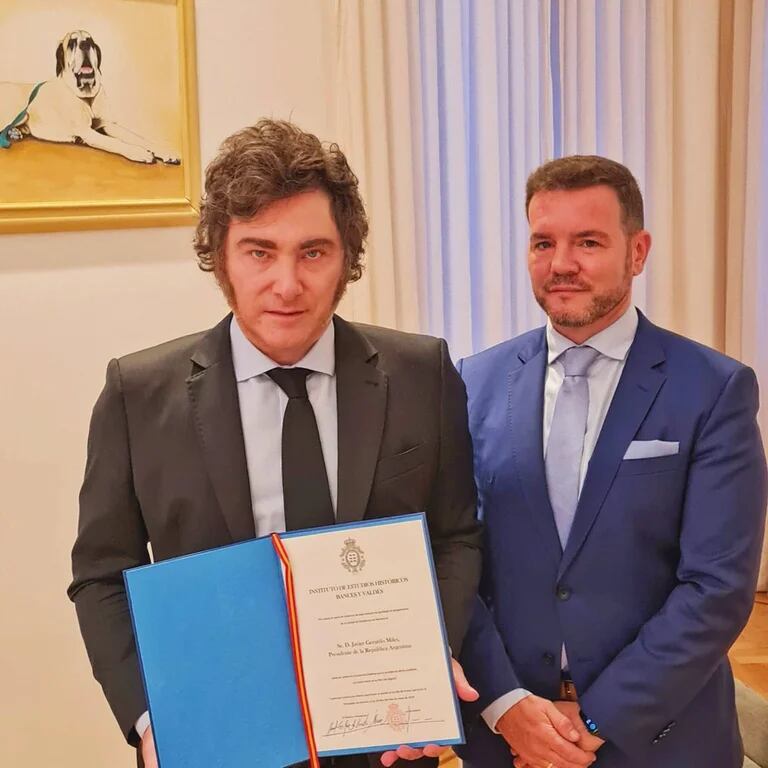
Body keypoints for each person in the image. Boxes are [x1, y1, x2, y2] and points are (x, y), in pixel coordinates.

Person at [68, 119, 481, 768]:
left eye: (313, 252)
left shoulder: (421, 373)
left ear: (346, 257)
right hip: (217, 738)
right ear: (221, 257)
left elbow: (456, 536)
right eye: (259, 252)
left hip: (389, 739)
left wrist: (431, 659)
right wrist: (153, 722)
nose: (287, 284)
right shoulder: (136, 394)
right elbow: (101, 575)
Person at [455, 155, 767, 768]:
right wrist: (506, 705)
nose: (561, 263)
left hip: (661, 738)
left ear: (637, 251)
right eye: (543, 242)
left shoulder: (714, 389)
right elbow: (457, 562)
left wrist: (600, 718)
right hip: (511, 738)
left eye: (588, 242)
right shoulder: (472, 383)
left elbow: (717, 587)